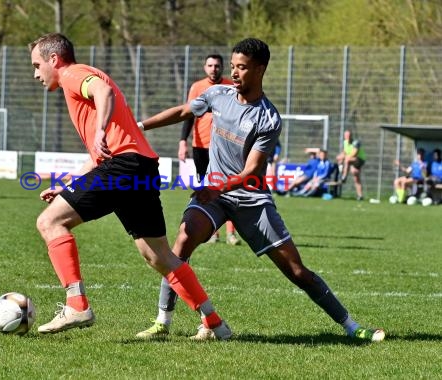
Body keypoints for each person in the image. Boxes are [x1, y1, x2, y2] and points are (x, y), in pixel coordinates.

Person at [135, 37, 385, 342]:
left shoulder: (268, 118)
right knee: (181, 244)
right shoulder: (217, 95)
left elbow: (251, 171)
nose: (235, 73)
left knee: (296, 271)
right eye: (233, 66)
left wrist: (216, 188)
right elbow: (184, 112)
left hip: (251, 199)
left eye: (242, 67)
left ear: (260, 69)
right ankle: (163, 321)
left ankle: (351, 326)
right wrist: (140, 127)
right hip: (214, 197)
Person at [27, 32, 231, 340]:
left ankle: (76, 304)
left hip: (122, 167)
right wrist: (67, 185)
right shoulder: (81, 80)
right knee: (159, 257)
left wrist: (99, 131)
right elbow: (101, 155)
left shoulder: (73, 75)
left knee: (49, 222)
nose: (36, 74)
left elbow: (103, 91)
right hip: (141, 168)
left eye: (37, 65)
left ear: (54, 60)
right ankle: (215, 324)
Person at [179, 54, 240, 246]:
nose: (214, 68)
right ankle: (212, 232)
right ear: (205, 67)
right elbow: (188, 115)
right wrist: (183, 141)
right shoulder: (197, 87)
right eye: (210, 65)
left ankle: (231, 233)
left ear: (223, 67)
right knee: (205, 188)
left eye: (217, 65)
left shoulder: (231, 85)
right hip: (201, 146)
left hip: (225, 146)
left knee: (228, 188)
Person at [336, 129, 366, 200]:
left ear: (351, 136)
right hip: (352, 161)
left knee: (347, 160)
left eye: (349, 135)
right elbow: (344, 152)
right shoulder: (345, 142)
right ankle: (360, 195)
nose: (348, 137)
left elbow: (354, 153)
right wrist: (340, 157)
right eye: (346, 135)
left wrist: (344, 157)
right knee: (356, 177)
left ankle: (344, 177)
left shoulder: (356, 142)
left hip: (359, 159)